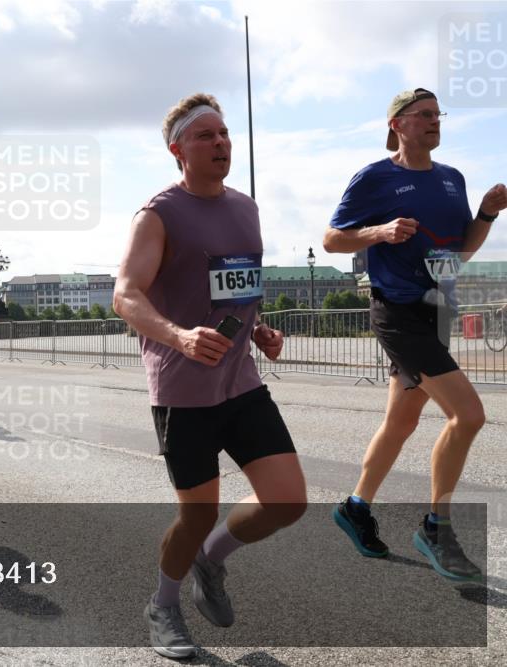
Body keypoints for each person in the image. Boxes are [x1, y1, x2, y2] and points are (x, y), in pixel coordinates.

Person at [113, 93, 306, 659]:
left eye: (224, 134)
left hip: (240, 381)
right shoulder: (158, 213)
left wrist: (259, 329)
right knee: (195, 514)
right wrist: (180, 336)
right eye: (206, 136)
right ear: (178, 150)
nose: (221, 143)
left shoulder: (246, 207)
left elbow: (235, 284)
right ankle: (163, 604)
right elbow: (125, 296)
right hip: (183, 388)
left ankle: (211, 559)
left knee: (287, 500)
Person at [324, 87, 505, 581]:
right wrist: (379, 232)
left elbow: (459, 253)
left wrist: (486, 213)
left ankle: (355, 508)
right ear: (397, 125)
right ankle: (435, 527)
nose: (434, 121)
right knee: (468, 415)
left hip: (436, 308)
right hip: (397, 312)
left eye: (437, 114)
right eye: (422, 115)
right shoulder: (377, 177)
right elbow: (332, 238)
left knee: (401, 422)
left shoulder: (452, 179)